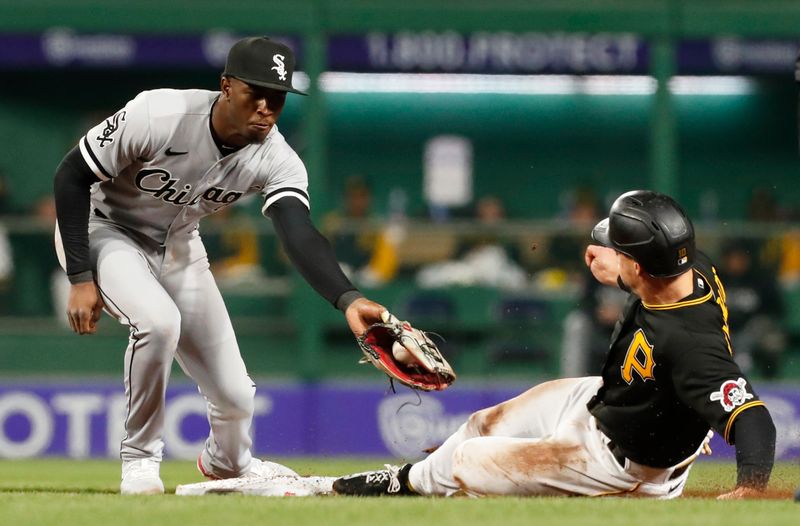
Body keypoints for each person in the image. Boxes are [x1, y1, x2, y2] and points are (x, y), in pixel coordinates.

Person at [52, 36, 387, 495]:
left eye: (278, 97)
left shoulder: (277, 157)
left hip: (179, 245)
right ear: (226, 86)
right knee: (157, 322)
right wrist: (80, 277)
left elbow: (298, 232)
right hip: (103, 227)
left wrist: (347, 299)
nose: (267, 107)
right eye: (257, 93)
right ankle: (140, 462)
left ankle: (227, 464)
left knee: (235, 395)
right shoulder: (159, 114)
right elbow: (71, 175)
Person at [332, 190, 775, 500]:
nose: (605, 247)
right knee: (481, 424)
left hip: (624, 463)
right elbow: (647, 269)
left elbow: (754, 420)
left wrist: (750, 489)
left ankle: (414, 485)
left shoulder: (690, 342)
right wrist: (618, 269)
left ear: (640, 267)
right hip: (610, 400)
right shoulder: (685, 263)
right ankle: (411, 478)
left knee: (466, 462)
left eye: (618, 248)